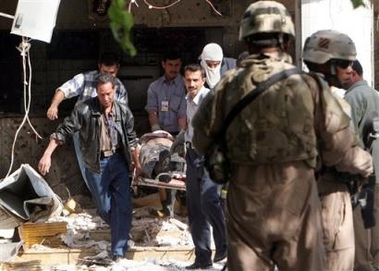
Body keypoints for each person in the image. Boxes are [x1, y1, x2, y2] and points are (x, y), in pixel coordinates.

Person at [191, 2, 373, 271]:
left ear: (247, 41)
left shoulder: (227, 87)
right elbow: (340, 148)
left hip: (245, 204)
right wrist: (366, 164)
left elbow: (200, 140)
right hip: (296, 202)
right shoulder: (309, 86)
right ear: (287, 41)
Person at [38, 73, 140, 262]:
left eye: (109, 94)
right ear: (96, 92)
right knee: (104, 207)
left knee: (124, 206)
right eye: (102, 94)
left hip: (118, 161)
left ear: (115, 91)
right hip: (96, 163)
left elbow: (132, 139)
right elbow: (64, 130)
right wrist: (47, 154)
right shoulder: (84, 110)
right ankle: (122, 231)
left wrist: (137, 163)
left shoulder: (124, 112)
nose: (106, 98)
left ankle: (118, 251)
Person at [302, 29, 375, 271]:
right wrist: (366, 162)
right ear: (328, 66)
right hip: (327, 197)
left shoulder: (286, 93)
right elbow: (342, 155)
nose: (348, 70)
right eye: (344, 64)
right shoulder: (332, 104)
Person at [46, 52, 128, 192]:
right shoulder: (85, 79)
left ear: (117, 70)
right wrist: (54, 105)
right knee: (88, 167)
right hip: (83, 132)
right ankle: (97, 198)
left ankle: (104, 198)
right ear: (99, 67)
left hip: (107, 133)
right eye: (104, 72)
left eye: (112, 73)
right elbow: (63, 90)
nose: (107, 76)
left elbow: (122, 117)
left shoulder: (120, 88)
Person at [171, 64, 227, 269]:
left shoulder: (209, 99)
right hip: (192, 155)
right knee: (195, 208)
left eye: (195, 80)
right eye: (188, 80)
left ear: (203, 80)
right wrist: (182, 142)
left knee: (209, 198)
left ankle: (224, 244)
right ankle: (202, 258)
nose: (191, 84)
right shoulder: (188, 99)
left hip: (210, 156)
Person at [343, 60, 379, 271]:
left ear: (353, 73)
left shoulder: (352, 98)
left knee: (361, 219)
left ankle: (364, 265)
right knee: (375, 218)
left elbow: (346, 139)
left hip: (362, 171)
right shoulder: (376, 95)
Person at [145, 50, 187, 217]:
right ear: (163, 64)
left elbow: (183, 115)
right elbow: (152, 111)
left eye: (177, 65)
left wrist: (180, 138)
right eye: (170, 64)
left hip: (180, 133)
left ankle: (183, 206)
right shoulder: (154, 87)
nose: (174, 68)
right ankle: (167, 208)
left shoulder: (186, 84)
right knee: (163, 172)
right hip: (162, 134)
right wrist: (157, 132)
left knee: (180, 171)